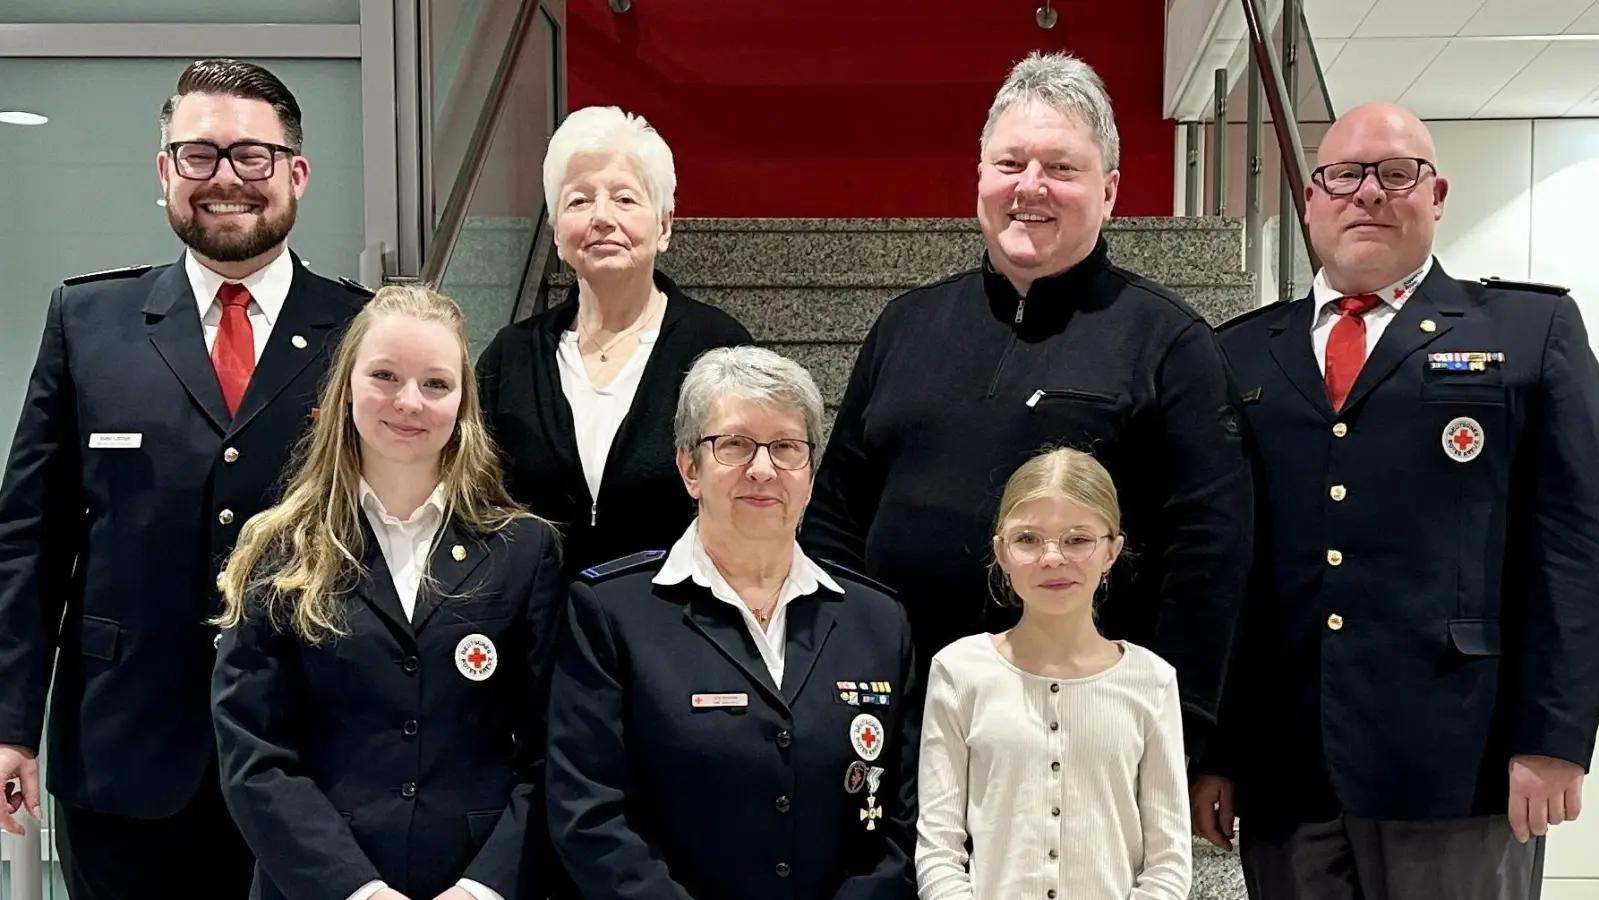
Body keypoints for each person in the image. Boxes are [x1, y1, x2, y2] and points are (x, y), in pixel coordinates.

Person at [1192, 101, 1599, 900]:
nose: (1367, 193)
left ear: (1436, 194)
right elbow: (1221, 567)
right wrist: (1214, 748)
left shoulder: (1527, 331)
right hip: (1284, 766)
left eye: (1395, 173)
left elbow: (1573, 546)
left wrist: (1553, 736)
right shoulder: (1237, 351)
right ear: (1310, 199)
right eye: (1342, 174)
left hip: (1460, 760)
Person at [800, 50, 1251, 757]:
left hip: (1080, 733)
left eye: (1060, 168)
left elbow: (1210, 552)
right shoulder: (905, 325)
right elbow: (834, 515)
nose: (1029, 187)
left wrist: (1181, 729)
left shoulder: (1168, 341)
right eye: (1009, 164)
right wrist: (833, 665)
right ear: (979, 176)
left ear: (1109, 191)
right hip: (898, 715)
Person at [0, 58, 370, 899]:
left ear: (296, 174)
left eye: (253, 156)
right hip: (125, 755)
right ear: (165, 171)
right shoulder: (87, 321)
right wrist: (9, 723)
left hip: (317, 751)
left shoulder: (364, 330)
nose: (225, 180)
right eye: (198, 155)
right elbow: (30, 538)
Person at [211, 284, 564, 900]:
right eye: (385, 375)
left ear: (463, 403)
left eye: (436, 384)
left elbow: (554, 753)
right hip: (318, 884)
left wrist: (484, 887)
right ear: (346, 386)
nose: (409, 402)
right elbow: (254, 754)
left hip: (478, 880)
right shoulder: (278, 549)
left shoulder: (524, 552)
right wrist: (356, 890)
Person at [546, 346, 920, 900]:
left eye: (787, 447)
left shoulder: (878, 622)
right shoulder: (611, 613)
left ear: (811, 473)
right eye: (735, 445)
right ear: (689, 468)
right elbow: (588, 812)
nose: (763, 469)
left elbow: (903, 821)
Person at [477, 105, 752, 576]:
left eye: (625, 199)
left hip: (678, 627)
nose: (601, 217)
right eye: (579, 201)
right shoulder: (511, 356)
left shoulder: (719, 349)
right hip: (540, 631)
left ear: (664, 225)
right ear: (557, 232)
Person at [916, 447, 1190, 900]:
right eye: (1028, 539)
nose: (1052, 558)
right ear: (1001, 551)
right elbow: (938, 848)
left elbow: (1169, 860)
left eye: (1077, 539)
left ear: (1112, 551)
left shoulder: (1151, 681)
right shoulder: (958, 671)